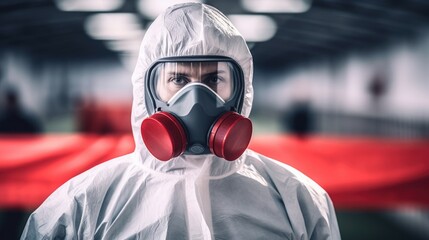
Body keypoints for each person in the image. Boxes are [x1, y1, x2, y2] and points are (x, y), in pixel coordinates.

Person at [21, 3, 340, 239]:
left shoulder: (300, 202)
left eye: (214, 80)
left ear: (242, 91)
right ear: (147, 90)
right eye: (177, 80)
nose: (196, 98)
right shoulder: (79, 207)